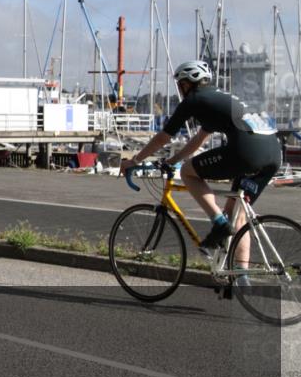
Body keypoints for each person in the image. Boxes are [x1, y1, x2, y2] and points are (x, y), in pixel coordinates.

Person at [120, 60, 281, 256]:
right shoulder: (217, 98)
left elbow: (164, 136)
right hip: (273, 154)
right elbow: (198, 140)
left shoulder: (193, 100)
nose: (180, 90)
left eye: (180, 85)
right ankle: (240, 279)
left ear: (187, 84)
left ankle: (219, 223)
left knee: (188, 172)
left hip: (246, 153)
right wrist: (170, 161)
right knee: (237, 219)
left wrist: (135, 160)